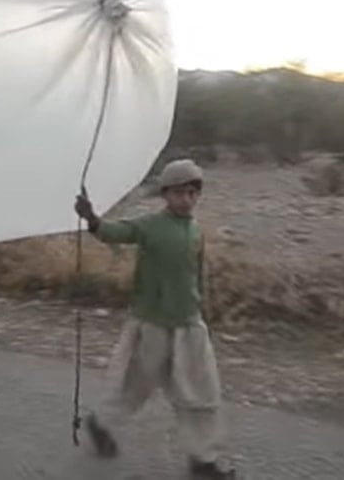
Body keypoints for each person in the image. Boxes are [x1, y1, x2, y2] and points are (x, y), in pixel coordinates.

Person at [74, 159, 235, 479]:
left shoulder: (195, 230)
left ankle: (203, 460)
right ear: (165, 194)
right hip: (151, 324)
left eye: (192, 193)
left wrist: (204, 310)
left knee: (201, 393)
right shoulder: (150, 225)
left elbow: (197, 275)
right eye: (178, 193)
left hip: (189, 324)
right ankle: (101, 424)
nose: (186, 199)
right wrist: (91, 218)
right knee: (134, 387)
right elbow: (115, 232)